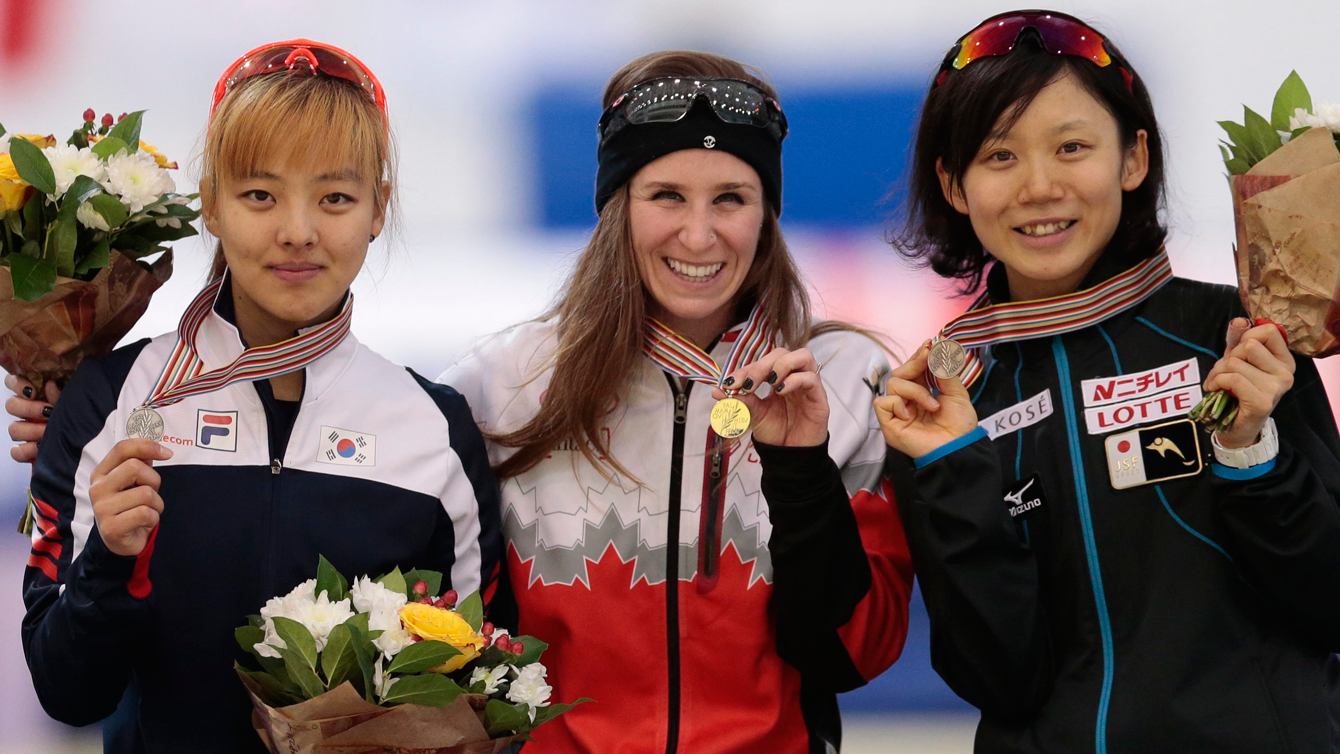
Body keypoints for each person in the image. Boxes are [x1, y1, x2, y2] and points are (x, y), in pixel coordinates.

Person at [11, 40, 501, 753]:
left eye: (335, 197)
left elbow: (484, 694)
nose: (297, 232)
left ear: (378, 207)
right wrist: (110, 561)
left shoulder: (433, 429)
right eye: (259, 195)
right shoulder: (110, 402)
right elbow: (66, 696)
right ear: (210, 203)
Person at [878, 10, 1340, 753]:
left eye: (1072, 147)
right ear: (954, 185)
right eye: (999, 157)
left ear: (1133, 159)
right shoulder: (942, 408)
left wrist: (1254, 457)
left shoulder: (1240, 342)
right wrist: (951, 469)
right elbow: (1000, 679)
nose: (1039, 186)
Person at [441, 51, 913, 753]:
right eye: (666, 196)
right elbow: (453, 647)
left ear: (766, 214)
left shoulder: (846, 379)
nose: (699, 235)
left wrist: (800, 470)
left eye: (731, 197)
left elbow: (856, 655)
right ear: (617, 208)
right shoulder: (503, 384)